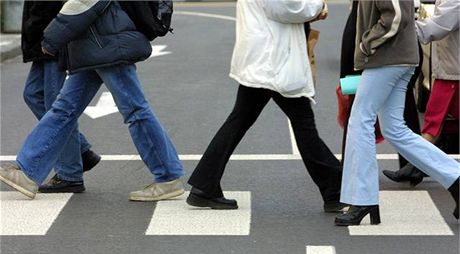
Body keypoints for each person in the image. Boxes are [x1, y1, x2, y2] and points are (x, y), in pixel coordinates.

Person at [0, 0, 185, 201]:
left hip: (107, 41)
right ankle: (28, 171)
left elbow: (84, 2)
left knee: (135, 110)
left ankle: (168, 176)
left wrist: (52, 37)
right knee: (63, 110)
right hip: (93, 42)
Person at [186, 0, 345, 213]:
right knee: (303, 124)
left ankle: (204, 185)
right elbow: (287, 7)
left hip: (264, 57)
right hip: (274, 60)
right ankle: (335, 188)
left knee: (240, 120)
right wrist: (318, 6)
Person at [335, 0, 460, 226]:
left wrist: (366, 45)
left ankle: (363, 199)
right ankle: (456, 177)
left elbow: (395, 16)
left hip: (388, 56)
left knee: (361, 119)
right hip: (398, 56)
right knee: (394, 129)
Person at [20, 1, 101, 193]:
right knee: (33, 94)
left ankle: (70, 173)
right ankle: (81, 151)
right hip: (42, 40)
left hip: (52, 39)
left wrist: (48, 37)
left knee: (57, 107)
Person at [382, 0, 459, 186]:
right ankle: (416, 167)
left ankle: (416, 167)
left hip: (453, 71)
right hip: (449, 70)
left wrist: (400, 32)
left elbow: (439, 25)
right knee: (434, 123)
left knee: (433, 123)